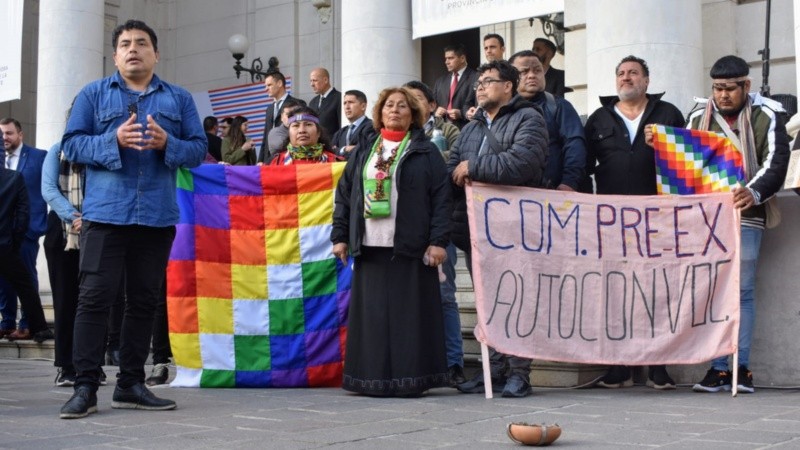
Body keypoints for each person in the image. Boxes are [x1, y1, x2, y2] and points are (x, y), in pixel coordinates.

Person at [58, 19, 206, 419]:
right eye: (125, 44)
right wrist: (113, 140)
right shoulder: (91, 94)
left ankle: (130, 385)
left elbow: (198, 149)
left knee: (143, 301)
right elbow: (70, 145)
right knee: (94, 299)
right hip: (106, 214)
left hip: (156, 215)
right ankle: (85, 387)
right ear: (115, 55)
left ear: (156, 53)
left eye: (142, 43)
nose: (133, 49)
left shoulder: (178, 99)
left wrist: (167, 143)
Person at [331, 86, 452, 397]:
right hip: (370, 245)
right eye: (388, 106)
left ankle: (410, 380)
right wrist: (340, 236)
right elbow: (345, 196)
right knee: (372, 317)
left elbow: (441, 200)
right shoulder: (365, 150)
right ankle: (370, 380)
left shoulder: (426, 152)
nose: (395, 110)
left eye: (402, 106)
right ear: (379, 113)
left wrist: (438, 241)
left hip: (411, 247)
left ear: (413, 115)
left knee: (408, 318)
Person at [685, 55, 789, 394]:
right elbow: (686, 160)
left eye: (730, 88)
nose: (723, 95)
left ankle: (739, 368)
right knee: (713, 290)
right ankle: (717, 369)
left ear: (746, 85)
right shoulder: (698, 117)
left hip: (747, 215)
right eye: (717, 88)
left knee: (741, 291)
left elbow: (776, 161)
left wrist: (754, 191)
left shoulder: (768, 115)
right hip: (706, 219)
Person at [584, 55, 685, 390]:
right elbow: (582, 165)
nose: (626, 78)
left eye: (633, 73)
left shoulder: (668, 113)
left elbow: (688, 164)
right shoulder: (599, 117)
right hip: (611, 218)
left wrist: (667, 148)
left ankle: (658, 365)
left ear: (647, 80)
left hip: (657, 216)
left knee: (657, 291)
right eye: (621, 73)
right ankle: (619, 366)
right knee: (615, 291)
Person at [448, 60, 548, 398]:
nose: (480, 87)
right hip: (476, 232)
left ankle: (520, 372)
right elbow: (452, 168)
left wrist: (473, 167)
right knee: (487, 302)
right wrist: (458, 169)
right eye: (479, 82)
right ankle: (496, 368)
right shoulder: (472, 128)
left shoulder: (529, 118)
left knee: (516, 299)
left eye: (489, 81)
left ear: (509, 86)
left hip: (513, 228)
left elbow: (524, 163)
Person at [404, 80, 464, 386]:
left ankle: (453, 363)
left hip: (439, 226)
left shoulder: (448, 131)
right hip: (402, 231)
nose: (408, 107)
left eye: (414, 100)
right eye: (403, 101)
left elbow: (450, 168)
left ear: (430, 104)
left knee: (444, 296)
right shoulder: (388, 138)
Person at [509, 50, 585, 191]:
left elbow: (574, 144)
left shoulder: (559, 106)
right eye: (524, 71)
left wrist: (569, 182)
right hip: (511, 195)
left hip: (552, 193)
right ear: (511, 77)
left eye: (538, 70)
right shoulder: (502, 109)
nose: (532, 75)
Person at [0, 118, 48, 340]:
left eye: (9, 133)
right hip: (4, 235)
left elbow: (47, 188)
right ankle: (7, 322)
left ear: (20, 134)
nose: (5, 138)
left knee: (26, 278)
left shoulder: (39, 157)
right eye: (2, 134)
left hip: (26, 230)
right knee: (4, 280)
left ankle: (28, 324)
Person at [268, 106, 338, 165]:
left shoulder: (335, 162)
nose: (302, 130)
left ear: (318, 132)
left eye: (308, 124)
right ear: (289, 133)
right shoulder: (275, 163)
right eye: (296, 125)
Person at [433, 44, 479, 129]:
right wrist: (436, 111)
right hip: (442, 131)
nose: (446, 62)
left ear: (462, 58)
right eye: (446, 59)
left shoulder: (476, 77)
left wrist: (461, 114)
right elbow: (431, 105)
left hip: (466, 130)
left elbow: (479, 106)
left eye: (450, 58)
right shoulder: (440, 81)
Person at [258, 71, 295, 163]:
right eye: (266, 86)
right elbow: (266, 135)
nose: (266, 89)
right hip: (269, 159)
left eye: (269, 85)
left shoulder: (297, 104)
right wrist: (260, 160)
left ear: (279, 83)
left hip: (288, 157)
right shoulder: (269, 109)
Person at [331, 90, 374, 159]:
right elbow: (331, 152)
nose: (347, 107)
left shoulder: (372, 127)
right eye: (345, 103)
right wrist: (345, 149)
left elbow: (365, 152)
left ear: (363, 106)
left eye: (351, 102)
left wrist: (339, 150)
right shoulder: (341, 132)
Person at [308, 67, 342, 137]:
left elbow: (342, 126)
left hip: (332, 145)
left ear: (326, 80)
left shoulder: (339, 98)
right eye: (310, 81)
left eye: (315, 80)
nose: (312, 84)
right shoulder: (312, 102)